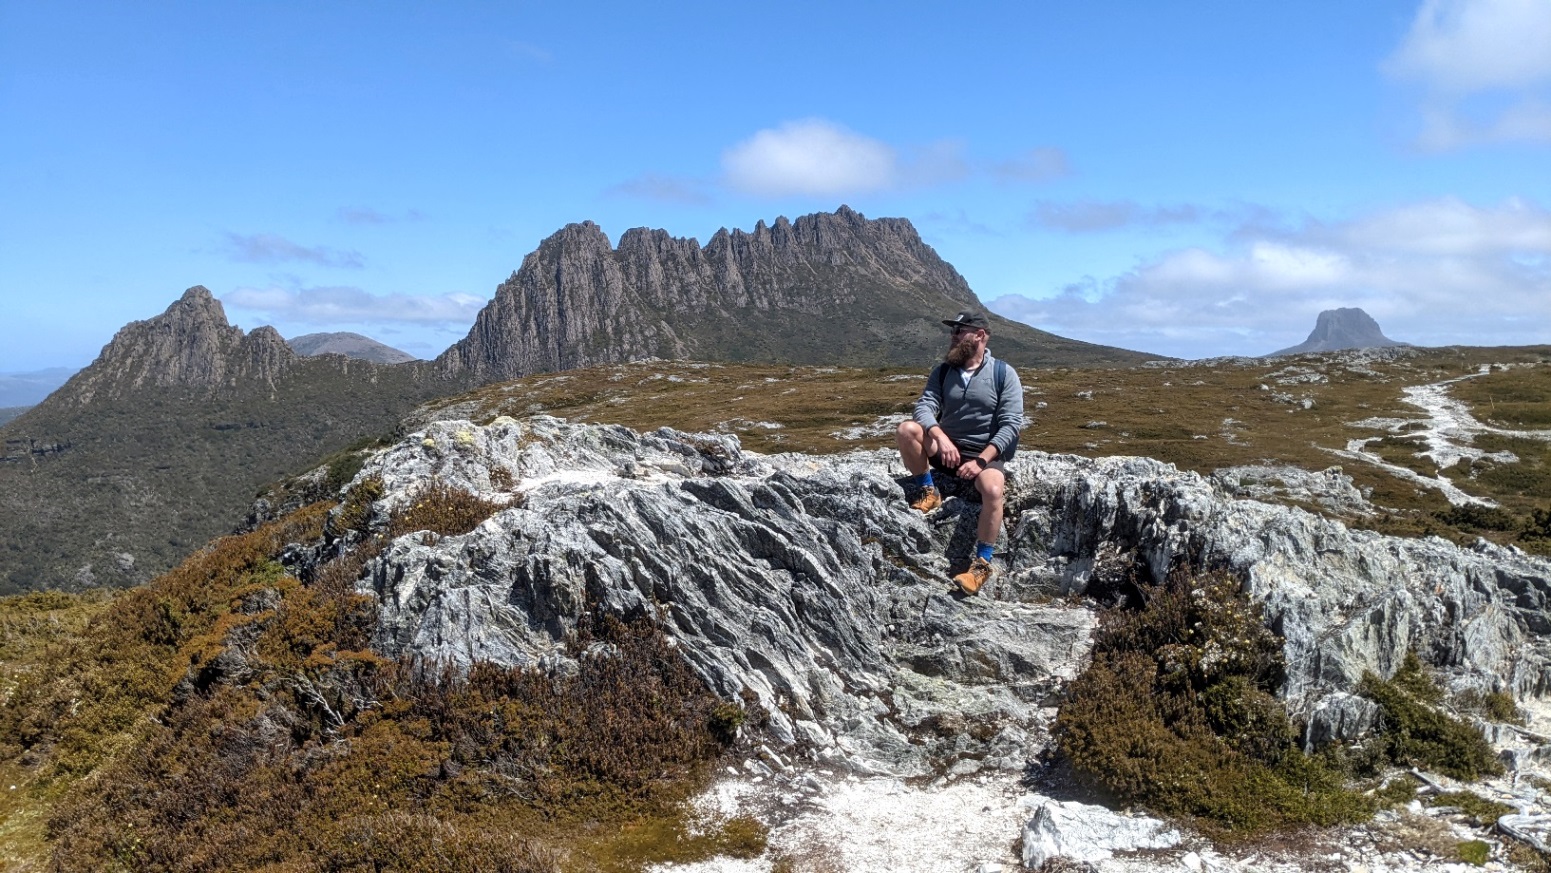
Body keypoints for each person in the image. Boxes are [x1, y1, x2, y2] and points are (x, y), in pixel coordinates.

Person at [895, 310, 1024, 596]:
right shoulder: (943, 372)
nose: (952, 336)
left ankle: (981, 565)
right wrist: (940, 437)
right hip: (948, 451)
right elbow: (924, 407)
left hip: (984, 455)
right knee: (907, 430)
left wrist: (981, 461)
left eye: (959, 331)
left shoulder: (1004, 374)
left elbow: (1011, 424)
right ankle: (929, 491)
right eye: (952, 331)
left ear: (979, 335)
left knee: (992, 490)